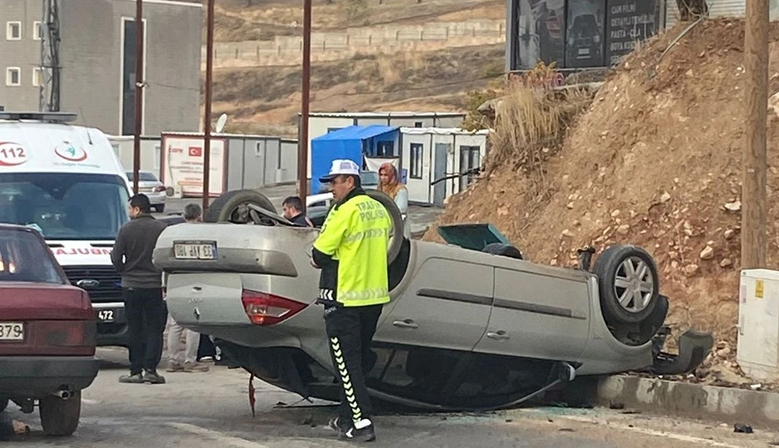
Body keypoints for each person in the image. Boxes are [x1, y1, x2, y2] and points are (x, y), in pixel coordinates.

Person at [311, 159, 392, 442]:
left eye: (334, 182)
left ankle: (361, 422)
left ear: (350, 181)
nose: (331, 188)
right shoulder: (379, 209)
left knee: (346, 364)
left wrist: (323, 257)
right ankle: (346, 418)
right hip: (373, 297)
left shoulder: (343, 211)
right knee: (356, 361)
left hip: (343, 297)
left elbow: (319, 254)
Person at [111, 194, 168, 385]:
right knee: (154, 328)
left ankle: (135, 371)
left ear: (136, 209)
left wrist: (124, 271)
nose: (129, 212)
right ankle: (151, 369)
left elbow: (116, 256)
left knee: (135, 329)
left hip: (131, 286)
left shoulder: (126, 229)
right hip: (154, 285)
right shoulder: (161, 229)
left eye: (130, 209)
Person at [165, 203, 209, 373]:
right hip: (197, 281)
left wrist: (165, 283)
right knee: (193, 322)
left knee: (174, 324)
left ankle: (172, 360)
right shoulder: (204, 234)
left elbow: (165, 259)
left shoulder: (173, 233)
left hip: (175, 280)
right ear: (199, 216)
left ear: (184, 216)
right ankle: (190, 360)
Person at [378, 162, 410, 238]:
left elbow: (400, 209)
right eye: (381, 175)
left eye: (386, 175)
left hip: (398, 230)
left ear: (392, 175)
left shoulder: (400, 190)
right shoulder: (380, 188)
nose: (383, 178)